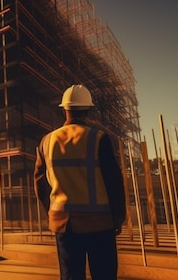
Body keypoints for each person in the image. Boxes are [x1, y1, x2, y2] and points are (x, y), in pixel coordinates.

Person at [34, 85, 126, 280]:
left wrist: (52, 214)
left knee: (71, 276)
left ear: (64, 110)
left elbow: (40, 183)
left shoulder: (47, 141)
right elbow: (113, 181)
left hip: (64, 225)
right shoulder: (98, 139)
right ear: (88, 110)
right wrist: (118, 217)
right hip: (100, 224)